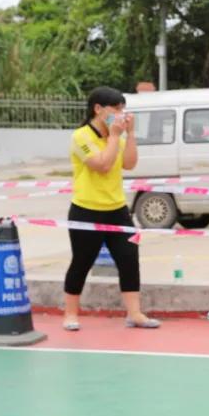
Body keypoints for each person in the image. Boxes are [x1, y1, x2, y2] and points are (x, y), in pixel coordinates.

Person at [62, 86, 159, 331]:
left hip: (117, 210)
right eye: (115, 109)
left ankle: (135, 313)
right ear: (98, 109)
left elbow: (129, 163)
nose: (120, 113)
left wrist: (131, 134)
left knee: (129, 258)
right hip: (86, 209)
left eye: (122, 108)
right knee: (82, 261)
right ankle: (70, 314)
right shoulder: (81, 137)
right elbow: (102, 165)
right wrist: (115, 136)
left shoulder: (119, 136)